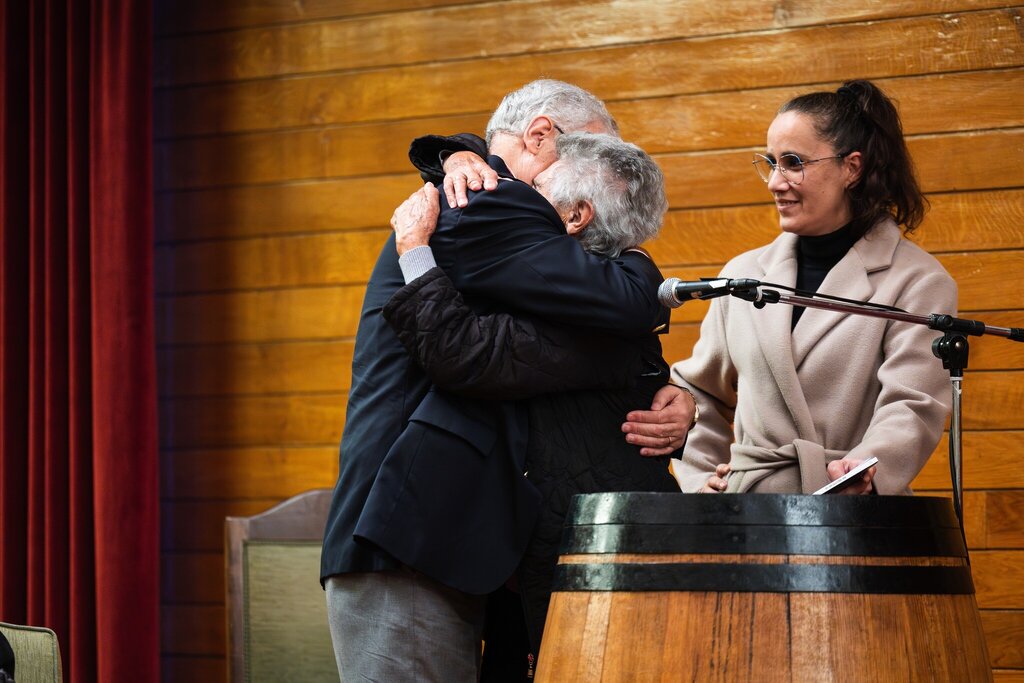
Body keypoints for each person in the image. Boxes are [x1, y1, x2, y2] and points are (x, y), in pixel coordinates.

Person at [318, 79, 694, 682]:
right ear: (540, 135)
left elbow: (560, 346)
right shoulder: (488, 199)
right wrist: (640, 270)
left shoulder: (494, 199)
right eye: (588, 150)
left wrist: (668, 390)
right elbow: (619, 305)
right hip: (409, 528)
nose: (595, 166)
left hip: (458, 533)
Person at [629, 79, 957, 494]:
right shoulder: (742, 274)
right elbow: (699, 392)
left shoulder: (918, 281)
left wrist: (864, 471)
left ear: (852, 168)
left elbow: (912, 404)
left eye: (793, 163)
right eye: (771, 162)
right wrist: (700, 483)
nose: (774, 182)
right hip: (746, 515)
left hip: (853, 512)